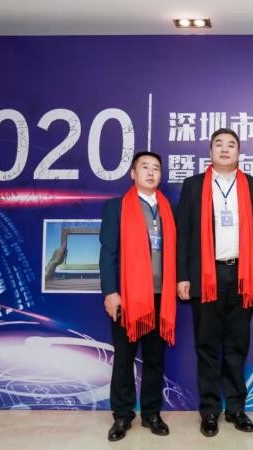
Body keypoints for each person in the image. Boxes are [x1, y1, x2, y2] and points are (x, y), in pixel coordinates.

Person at [176, 128, 253, 437]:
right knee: (207, 346)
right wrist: (183, 275)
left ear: (239, 152)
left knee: (237, 347)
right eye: (219, 144)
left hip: (241, 276)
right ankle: (210, 411)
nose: (225, 149)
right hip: (206, 275)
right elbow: (184, 232)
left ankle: (237, 409)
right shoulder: (194, 185)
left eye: (231, 145)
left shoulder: (252, 185)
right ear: (210, 151)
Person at [99, 151, 177, 442]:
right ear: (133, 173)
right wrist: (111, 292)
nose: (151, 172)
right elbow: (108, 252)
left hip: (160, 296)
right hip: (128, 296)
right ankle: (122, 415)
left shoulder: (168, 209)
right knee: (124, 358)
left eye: (156, 168)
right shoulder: (117, 207)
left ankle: (152, 413)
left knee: (155, 358)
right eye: (144, 167)